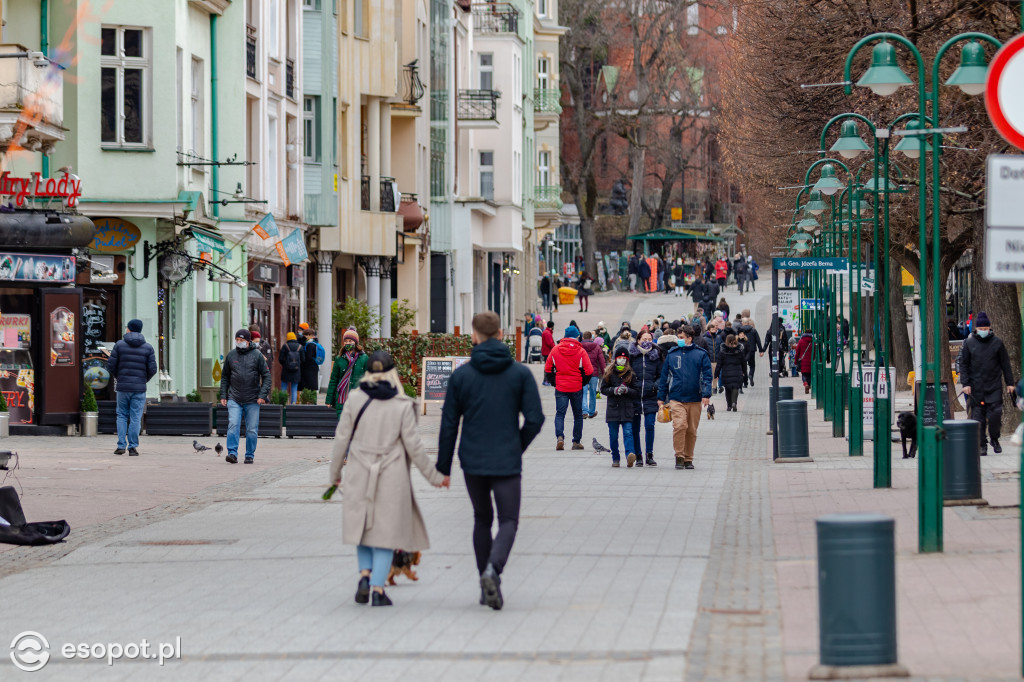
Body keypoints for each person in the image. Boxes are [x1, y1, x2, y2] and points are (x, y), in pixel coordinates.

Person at [437, 311, 544, 610]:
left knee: (482, 518)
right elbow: (535, 419)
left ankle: (484, 587)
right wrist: (516, 446)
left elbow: (448, 424)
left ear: (474, 336)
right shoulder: (519, 373)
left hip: (472, 460)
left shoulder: (462, 376)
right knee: (508, 520)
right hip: (507, 461)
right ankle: (492, 571)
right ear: (500, 334)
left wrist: (442, 468)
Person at [329, 350, 449, 607]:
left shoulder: (354, 399)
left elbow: (341, 439)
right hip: (391, 477)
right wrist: (435, 477)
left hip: (359, 471)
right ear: (393, 373)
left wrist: (335, 475)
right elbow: (414, 447)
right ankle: (377, 590)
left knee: (361, 528)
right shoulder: (403, 405)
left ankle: (364, 575)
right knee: (386, 534)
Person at [958, 311, 1016, 455]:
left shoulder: (997, 343)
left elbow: (1005, 364)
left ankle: (994, 438)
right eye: (981, 329)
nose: (984, 331)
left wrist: (1010, 383)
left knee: (996, 415)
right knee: (979, 419)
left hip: (994, 386)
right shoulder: (969, 343)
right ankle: (982, 444)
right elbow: (963, 364)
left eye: (986, 329)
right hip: (976, 388)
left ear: (990, 328)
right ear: (976, 329)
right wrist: (965, 384)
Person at [658, 325, 712, 470]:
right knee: (680, 426)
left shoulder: (700, 354)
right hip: (676, 397)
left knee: (691, 430)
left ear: (689, 338)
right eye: (678, 338)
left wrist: (706, 394)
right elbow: (664, 377)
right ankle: (679, 456)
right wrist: (661, 397)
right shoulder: (672, 353)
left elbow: (707, 375)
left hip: (695, 398)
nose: (679, 340)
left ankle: (689, 458)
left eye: (682, 338)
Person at [106, 319, 157, 456]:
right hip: (139, 388)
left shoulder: (119, 345)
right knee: (136, 417)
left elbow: (110, 365)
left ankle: (121, 445)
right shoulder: (148, 347)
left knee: (121, 415)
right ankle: (133, 447)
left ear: (129, 329)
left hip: (123, 387)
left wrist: (119, 377)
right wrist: (143, 380)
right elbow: (153, 369)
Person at [220, 329, 272, 464]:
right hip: (234, 397)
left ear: (248, 341)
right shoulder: (231, 355)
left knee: (252, 430)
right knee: (233, 424)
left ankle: (249, 454)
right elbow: (225, 376)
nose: (239, 342)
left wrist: (262, 395)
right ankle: (232, 453)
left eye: (241, 340)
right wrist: (223, 394)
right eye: (237, 340)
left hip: (253, 398)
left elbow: (266, 376)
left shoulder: (257, 355)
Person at [544, 326, 593, 451]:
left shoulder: (555, 350)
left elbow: (548, 368)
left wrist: (554, 382)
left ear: (565, 336)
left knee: (560, 414)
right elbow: (589, 370)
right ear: (577, 336)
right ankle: (576, 442)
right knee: (577, 415)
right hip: (576, 386)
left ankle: (560, 437)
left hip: (561, 386)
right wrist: (582, 382)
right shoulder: (581, 351)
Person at [601, 347, 639, 468]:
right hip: (613, 410)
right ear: (615, 359)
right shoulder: (609, 373)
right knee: (613, 436)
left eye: (624, 358)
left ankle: (629, 455)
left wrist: (627, 390)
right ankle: (615, 458)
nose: (622, 360)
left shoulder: (631, 374)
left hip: (627, 409)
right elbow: (603, 389)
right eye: (619, 358)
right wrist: (614, 390)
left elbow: (636, 392)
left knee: (628, 433)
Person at [629, 330, 661, 467]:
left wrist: (655, 386)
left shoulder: (656, 356)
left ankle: (649, 454)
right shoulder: (632, 355)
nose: (647, 341)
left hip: (650, 395)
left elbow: (662, 375)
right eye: (644, 338)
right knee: (635, 428)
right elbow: (626, 372)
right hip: (635, 396)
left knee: (650, 425)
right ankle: (638, 455)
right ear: (638, 340)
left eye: (649, 338)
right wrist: (632, 385)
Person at [326, 328, 369, 418]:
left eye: (350, 341)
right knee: (343, 425)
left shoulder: (364, 358)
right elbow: (334, 379)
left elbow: (368, 379)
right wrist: (329, 400)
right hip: (342, 398)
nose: (347, 343)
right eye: (345, 341)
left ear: (356, 342)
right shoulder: (339, 359)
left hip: (359, 397)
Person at [715, 334, 746, 412]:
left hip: (726, 372)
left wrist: (716, 374)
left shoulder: (723, 351)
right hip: (737, 372)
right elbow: (744, 362)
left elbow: (719, 364)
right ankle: (734, 403)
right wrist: (744, 372)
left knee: (728, 389)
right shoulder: (739, 351)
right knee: (735, 387)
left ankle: (729, 406)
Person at [580, 331, 606, 418]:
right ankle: (591, 412)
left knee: (583, 392)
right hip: (593, 373)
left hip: (582, 373)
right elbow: (602, 361)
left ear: (583, 338)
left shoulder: (579, 346)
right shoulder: (597, 347)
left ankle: (584, 411)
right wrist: (604, 373)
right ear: (592, 338)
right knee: (592, 392)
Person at [278, 331, 303, 403]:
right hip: (296, 371)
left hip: (286, 370)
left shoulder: (285, 346)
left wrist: (285, 365)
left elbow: (281, 359)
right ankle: (293, 405)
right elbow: (303, 359)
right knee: (294, 389)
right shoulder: (300, 347)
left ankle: (282, 404)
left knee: (283, 388)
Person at [300, 327, 323, 395]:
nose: (304, 337)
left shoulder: (310, 345)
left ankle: (311, 403)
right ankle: (312, 402)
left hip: (309, 369)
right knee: (312, 386)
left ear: (310, 335)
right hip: (313, 367)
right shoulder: (314, 343)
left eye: (305, 335)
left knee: (310, 387)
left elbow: (308, 357)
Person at [740, 318, 762, 387]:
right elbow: (758, 340)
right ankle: (751, 375)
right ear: (748, 323)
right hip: (751, 350)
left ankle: (745, 382)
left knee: (743, 366)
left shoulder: (740, 330)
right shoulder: (753, 330)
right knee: (752, 365)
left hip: (742, 350)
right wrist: (761, 350)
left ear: (742, 323)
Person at [795, 328, 814, 394]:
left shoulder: (801, 341)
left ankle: (805, 384)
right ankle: (809, 384)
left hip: (803, 361)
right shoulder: (814, 341)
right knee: (810, 374)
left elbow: (797, 352)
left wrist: (795, 361)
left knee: (804, 374)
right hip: (812, 361)